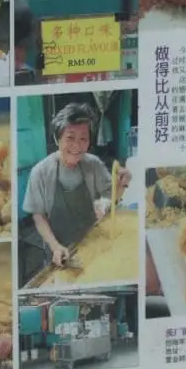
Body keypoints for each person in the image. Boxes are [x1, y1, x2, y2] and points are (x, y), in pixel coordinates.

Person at [23, 102, 132, 268]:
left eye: (83, 139)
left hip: (92, 244)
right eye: (70, 138)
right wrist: (55, 247)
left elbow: (112, 197)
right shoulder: (41, 172)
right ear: (57, 138)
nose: (77, 145)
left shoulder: (93, 164)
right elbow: (38, 216)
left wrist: (122, 184)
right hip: (60, 251)